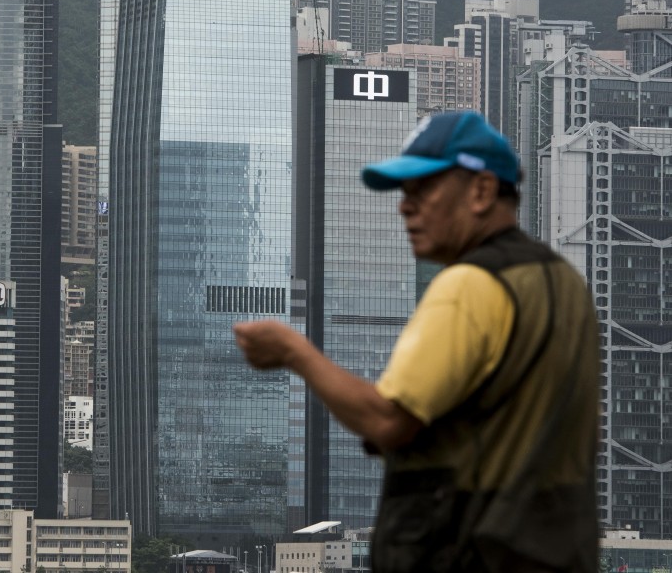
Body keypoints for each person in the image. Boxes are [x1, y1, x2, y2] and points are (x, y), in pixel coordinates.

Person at [233, 110, 599, 572]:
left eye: (423, 189)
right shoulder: (563, 282)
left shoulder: (468, 286)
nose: (405, 206)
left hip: (469, 553)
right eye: (404, 193)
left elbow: (387, 420)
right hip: (555, 550)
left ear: (482, 190)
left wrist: (293, 351)